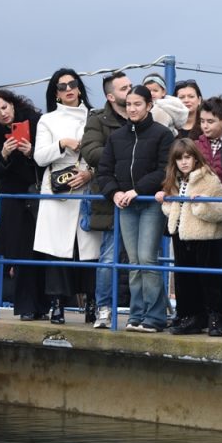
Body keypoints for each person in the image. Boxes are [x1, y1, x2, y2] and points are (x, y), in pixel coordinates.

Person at [96, 85, 174, 332]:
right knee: (133, 261)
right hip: (125, 205)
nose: (132, 108)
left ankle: (155, 317)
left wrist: (138, 190)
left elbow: (164, 169)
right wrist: (114, 192)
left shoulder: (163, 134)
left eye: (137, 104)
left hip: (149, 204)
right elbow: (104, 171)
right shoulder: (116, 137)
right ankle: (136, 314)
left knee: (147, 259)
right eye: (129, 104)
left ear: (149, 105)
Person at [33, 68, 100, 324]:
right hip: (58, 192)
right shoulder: (47, 120)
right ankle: (57, 304)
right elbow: (39, 157)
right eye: (62, 87)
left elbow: (104, 153)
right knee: (57, 249)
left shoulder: (94, 116)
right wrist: (62, 143)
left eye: (72, 84)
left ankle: (92, 303)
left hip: (86, 190)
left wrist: (89, 174)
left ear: (79, 87)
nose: (68, 89)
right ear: (56, 93)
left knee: (90, 250)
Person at [155, 138, 222, 336]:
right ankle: (190, 316)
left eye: (187, 157)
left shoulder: (208, 178)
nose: (184, 162)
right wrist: (165, 200)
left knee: (209, 279)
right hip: (180, 234)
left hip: (204, 235)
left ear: (196, 158)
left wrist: (201, 205)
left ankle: (216, 317)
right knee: (184, 279)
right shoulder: (175, 179)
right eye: (179, 159)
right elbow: (173, 209)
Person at [81, 72, 137, 329]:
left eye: (131, 85)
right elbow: (90, 151)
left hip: (140, 195)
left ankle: (140, 312)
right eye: (125, 88)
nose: (131, 90)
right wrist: (126, 153)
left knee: (143, 259)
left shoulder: (144, 114)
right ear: (110, 96)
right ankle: (104, 309)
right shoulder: (98, 120)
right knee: (108, 257)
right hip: (110, 197)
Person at [0, 90, 48, 320]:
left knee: (41, 251)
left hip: (37, 192)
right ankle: (25, 308)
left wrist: (31, 152)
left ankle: (43, 305)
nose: (3, 113)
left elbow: (47, 163)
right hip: (13, 198)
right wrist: (3, 154)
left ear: (13, 104)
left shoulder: (35, 121)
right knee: (21, 254)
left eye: (5, 107)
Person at [195, 96, 222, 333]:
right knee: (206, 262)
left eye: (210, 121)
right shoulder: (197, 145)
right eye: (202, 121)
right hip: (202, 213)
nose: (205, 126)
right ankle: (208, 312)